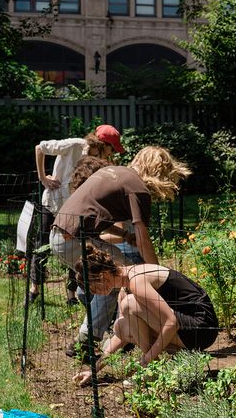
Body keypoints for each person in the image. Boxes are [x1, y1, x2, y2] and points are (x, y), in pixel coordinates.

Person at [49, 146, 191, 351]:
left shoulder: (117, 173)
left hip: (62, 235)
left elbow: (95, 215)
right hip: (71, 239)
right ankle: (94, 338)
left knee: (114, 276)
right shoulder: (138, 188)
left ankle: (118, 328)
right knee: (116, 275)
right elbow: (144, 238)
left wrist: (124, 235)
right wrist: (158, 276)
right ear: (158, 172)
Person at [72, 245, 218, 387]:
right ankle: (168, 361)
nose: (95, 293)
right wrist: (94, 370)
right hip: (187, 327)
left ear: (102, 276)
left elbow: (171, 322)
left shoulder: (136, 280)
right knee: (120, 327)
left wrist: (146, 360)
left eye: (93, 288)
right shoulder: (125, 286)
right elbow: (121, 336)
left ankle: (150, 369)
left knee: (129, 304)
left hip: (202, 328)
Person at [29, 124, 124, 304]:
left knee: (79, 248)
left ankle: (71, 294)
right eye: (112, 149)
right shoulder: (74, 145)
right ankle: (35, 288)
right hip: (52, 204)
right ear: (104, 144)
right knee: (41, 245)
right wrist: (43, 177)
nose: (112, 154)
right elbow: (40, 148)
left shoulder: (99, 162)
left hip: (74, 211)